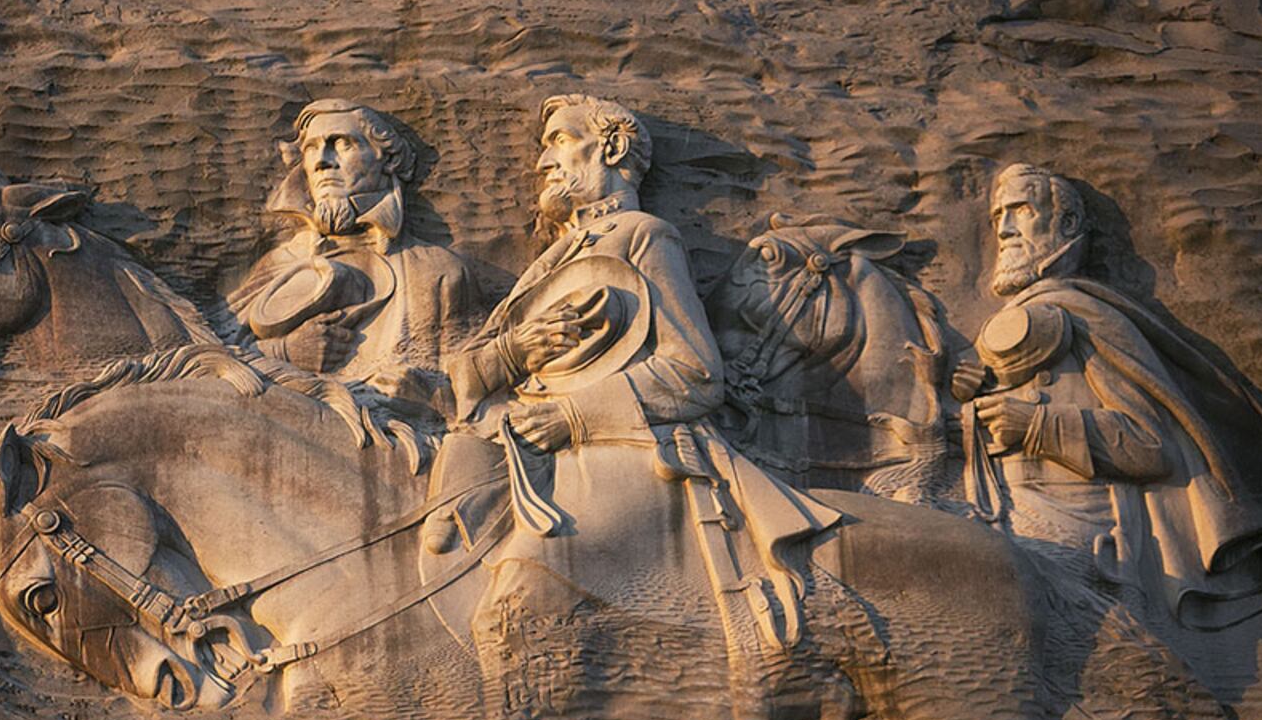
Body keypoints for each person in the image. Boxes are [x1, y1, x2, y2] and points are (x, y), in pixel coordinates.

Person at [442, 93, 839, 647]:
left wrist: (575, 417)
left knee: (512, 617)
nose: (542, 162)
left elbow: (696, 372)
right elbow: (466, 371)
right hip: (520, 445)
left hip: (619, 451)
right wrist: (514, 352)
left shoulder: (643, 236)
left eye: (558, 140)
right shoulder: (553, 258)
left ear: (610, 146)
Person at [959, 162, 1262, 627]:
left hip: (1081, 541)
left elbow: (1150, 447)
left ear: (1067, 225)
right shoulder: (1023, 324)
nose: (1003, 229)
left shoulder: (1087, 317)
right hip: (1000, 516)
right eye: (997, 215)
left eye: (1020, 210)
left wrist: (1039, 426)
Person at [228, 99, 479, 410]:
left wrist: (430, 394)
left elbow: (479, 386)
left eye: (341, 144)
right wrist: (285, 351)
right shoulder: (281, 263)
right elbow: (214, 354)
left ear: (386, 158)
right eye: (311, 149)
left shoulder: (438, 271)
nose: (322, 161)